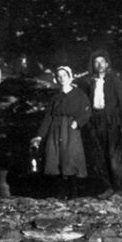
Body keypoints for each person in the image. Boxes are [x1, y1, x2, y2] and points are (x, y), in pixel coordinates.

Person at [76, 50, 122, 199]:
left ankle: (120, 189)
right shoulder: (90, 81)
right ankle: (108, 187)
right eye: (96, 62)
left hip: (112, 121)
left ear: (107, 64)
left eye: (102, 62)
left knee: (114, 157)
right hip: (96, 120)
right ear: (93, 65)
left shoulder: (115, 80)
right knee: (99, 157)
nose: (99, 65)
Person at [30, 66, 91, 199]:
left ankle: (73, 194)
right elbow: (48, 117)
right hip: (55, 129)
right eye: (59, 76)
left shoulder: (79, 94)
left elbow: (87, 111)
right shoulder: (55, 97)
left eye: (65, 75)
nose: (62, 78)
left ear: (70, 77)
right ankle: (61, 193)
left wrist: (78, 122)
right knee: (56, 158)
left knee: (70, 158)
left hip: (70, 129)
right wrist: (40, 136)